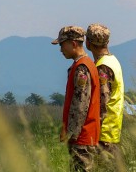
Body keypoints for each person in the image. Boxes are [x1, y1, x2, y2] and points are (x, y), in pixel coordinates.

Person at [52, 25, 101, 171]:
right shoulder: (85, 64)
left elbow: (80, 104)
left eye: (62, 45)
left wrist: (71, 134)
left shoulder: (82, 67)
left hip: (82, 137)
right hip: (84, 135)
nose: (61, 50)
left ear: (73, 43)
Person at [87, 23, 124, 169]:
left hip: (104, 131)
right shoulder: (113, 61)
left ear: (88, 43)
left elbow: (102, 101)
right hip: (112, 127)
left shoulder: (103, 67)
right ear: (107, 42)